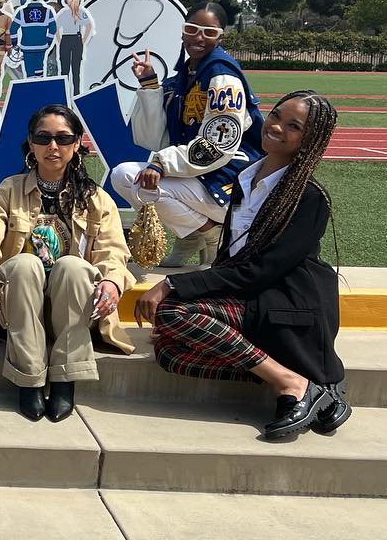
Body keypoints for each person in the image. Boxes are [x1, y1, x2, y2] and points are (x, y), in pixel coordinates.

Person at [135, 91, 348, 439]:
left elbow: (261, 271)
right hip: (250, 297)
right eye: (277, 115)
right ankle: (303, 383)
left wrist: (172, 284)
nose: (276, 127)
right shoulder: (248, 178)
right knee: (169, 352)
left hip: (285, 303)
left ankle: (290, 383)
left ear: (309, 140)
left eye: (293, 126)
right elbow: (233, 257)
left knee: (173, 313)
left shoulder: (309, 197)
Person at [0, 103, 134, 422]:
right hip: (18, 303)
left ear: (77, 145)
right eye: (43, 138)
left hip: (73, 303)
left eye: (62, 138)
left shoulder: (97, 200)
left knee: (73, 267)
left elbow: (114, 252)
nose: (52, 146)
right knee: (25, 264)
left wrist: (113, 281)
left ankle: (64, 380)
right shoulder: (7, 192)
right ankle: (28, 380)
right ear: (31, 144)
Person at [111, 2, 262, 268]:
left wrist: (162, 163)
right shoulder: (187, 75)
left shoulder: (223, 78)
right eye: (192, 29)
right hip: (201, 175)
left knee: (130, 177)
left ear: (220, 37)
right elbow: (154, 137)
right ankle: (193, 233)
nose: (198, 37)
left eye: (209, 32)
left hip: (227, 181)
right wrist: (149, 85)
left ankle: (210, 231)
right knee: (124, 176)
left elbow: (219, 144)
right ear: (182, 32)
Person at [54, 0, 95, 93]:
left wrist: (83, 40)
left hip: (76, 39)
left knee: (76, 69)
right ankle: (65, 92)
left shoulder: (82, 12)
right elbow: (56, 28)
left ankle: (76, 92)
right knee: (65, 69)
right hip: (66, 39)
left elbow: (89, 26)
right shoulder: (64, 13)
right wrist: (60, 40)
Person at [10, 0, 55, 78]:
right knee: (39, 70)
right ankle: (40, 87)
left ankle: (31, 88)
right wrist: (49, 42)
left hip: (27, 47)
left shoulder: (21, 12)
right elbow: (53, 29)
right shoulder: (47, 12)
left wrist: (15, 44)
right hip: (41, 45)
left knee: (29, 72)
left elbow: (13, 29)